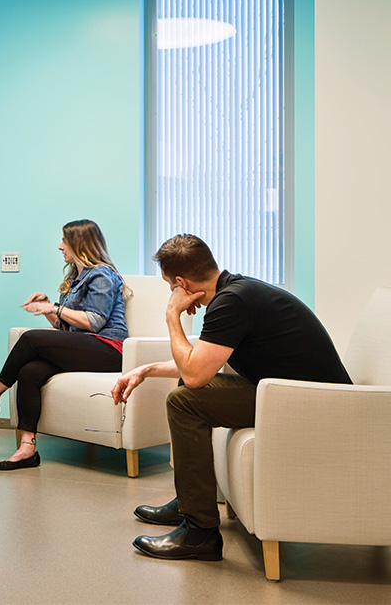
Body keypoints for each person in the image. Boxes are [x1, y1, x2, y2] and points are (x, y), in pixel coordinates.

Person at [112, 234, 351, 561]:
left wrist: (172, 317)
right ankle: (189, 504)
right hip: (299, 395)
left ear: (181, 283)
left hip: (313, 405)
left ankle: (200, 533)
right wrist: (145, 370)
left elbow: (196, 375)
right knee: (186, 388)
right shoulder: (236, 292)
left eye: (171, 287)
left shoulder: (231, 302)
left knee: (184, 400)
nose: (173, 294)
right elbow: (204, 362)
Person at [0, 219, 129, 471]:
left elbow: (94, 322)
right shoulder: (74, 276)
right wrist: (49, 306)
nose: (60, 247)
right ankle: (27, 449)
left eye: (64, 241)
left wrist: (55, 307)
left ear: (80, 244)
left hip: (109, 350)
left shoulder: (102, 274)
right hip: (86, 346)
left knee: (30, 339)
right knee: (30, 371)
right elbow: (65, 329)